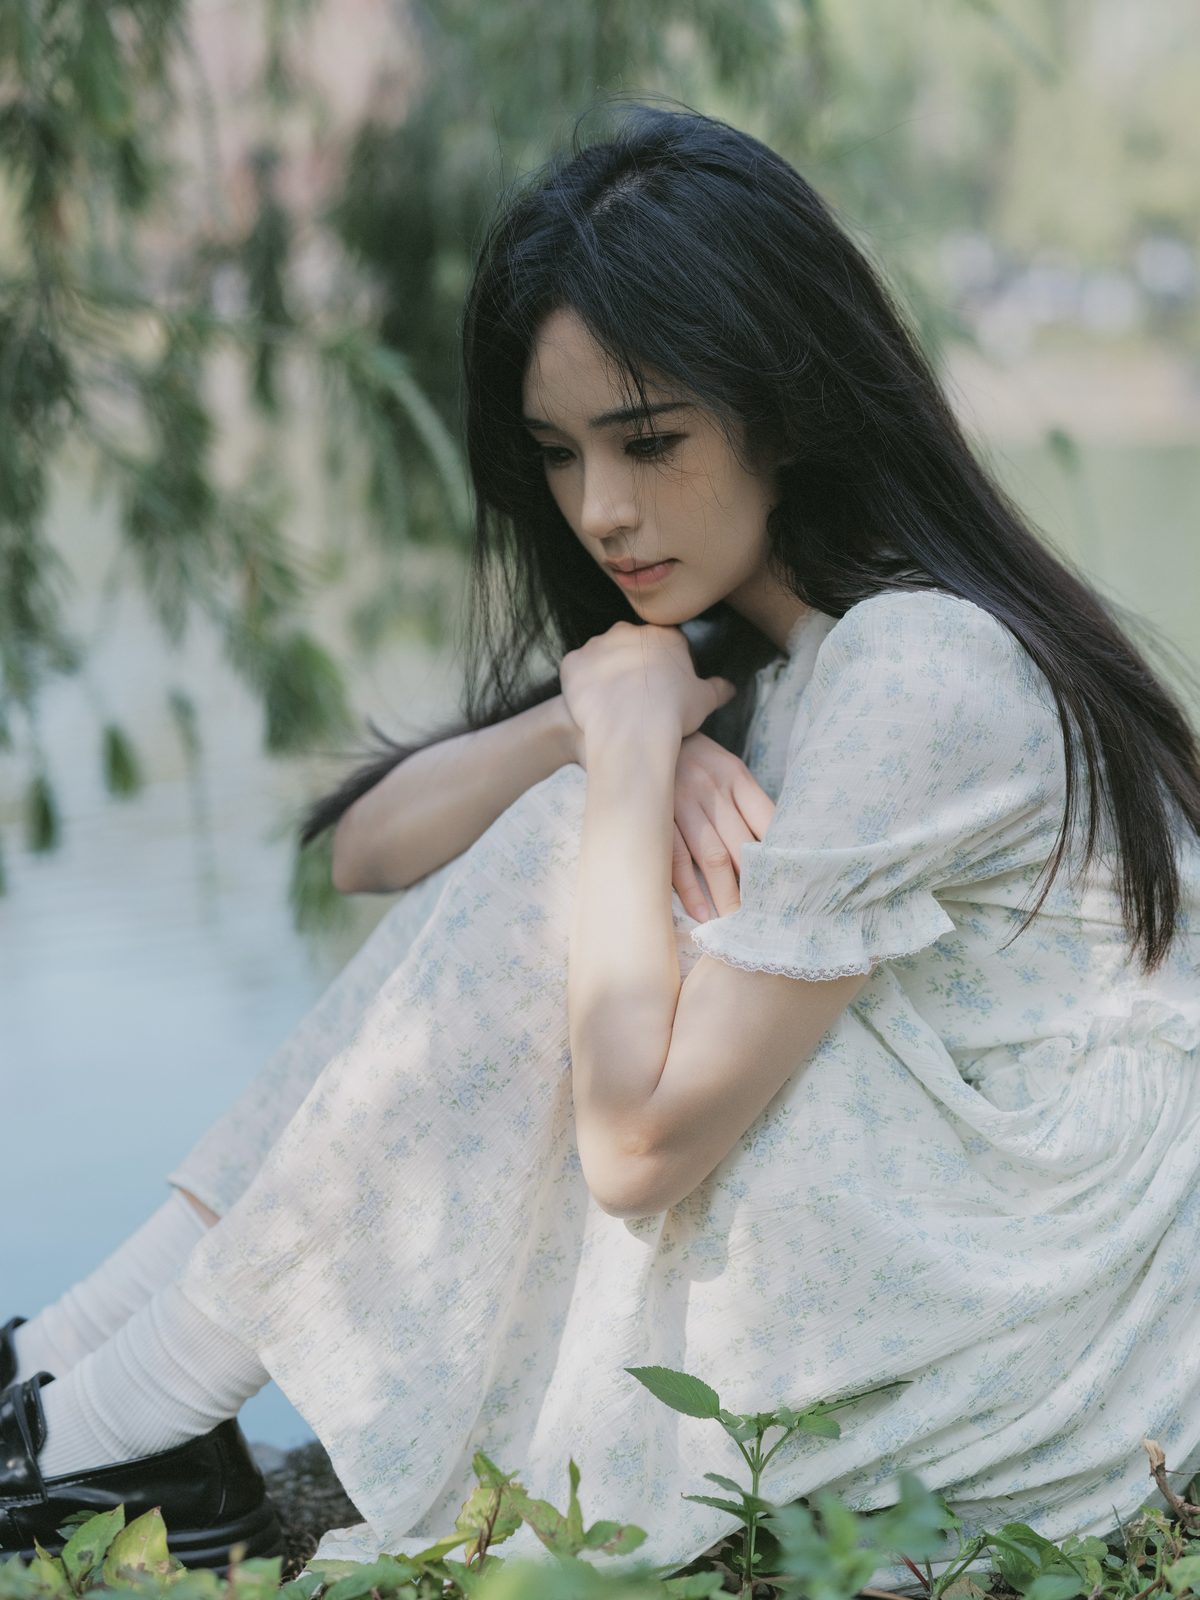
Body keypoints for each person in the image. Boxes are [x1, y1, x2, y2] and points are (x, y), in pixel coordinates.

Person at [3, 100, 1199, 1581]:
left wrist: (626, 774)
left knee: (580, 845)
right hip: (968, 1210)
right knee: (572, 821)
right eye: (559, 456)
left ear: (788, 408)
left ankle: (115, 1423)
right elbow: (368, 848)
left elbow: (638, 1151)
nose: (602, 511)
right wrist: (599, 723)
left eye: (649, 442)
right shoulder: (759, 646)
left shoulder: (921, 667)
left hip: (1056, 1293)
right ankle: (71, 1370)